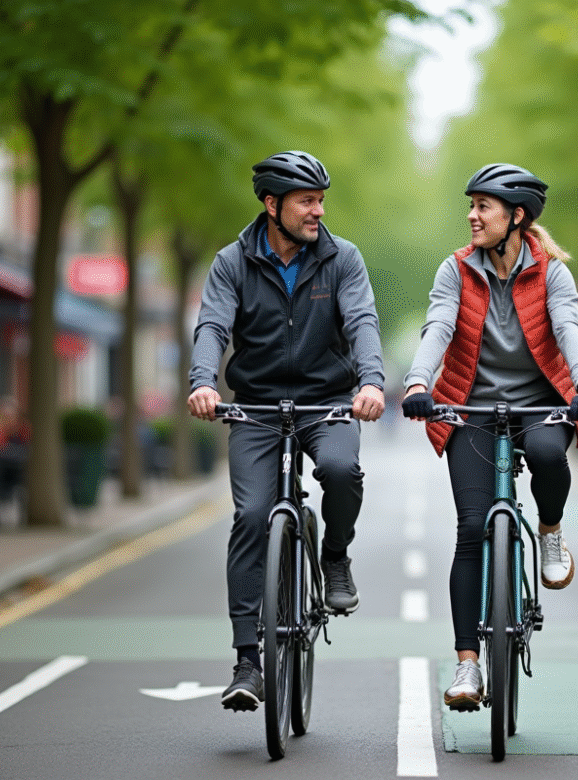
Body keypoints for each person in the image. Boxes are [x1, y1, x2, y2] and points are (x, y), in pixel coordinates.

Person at [187, 151, 385, 712]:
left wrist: (370, 382)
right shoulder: (232, 262)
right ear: (271, 204)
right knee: (251, 517)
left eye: (321, 200)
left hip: (327, 401)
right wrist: (204, 382)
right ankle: (248, 659)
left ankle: (335, 556)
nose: (317, 210)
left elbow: (362, 321)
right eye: (306, 201)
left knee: (342, 470)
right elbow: (213, 325)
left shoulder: (342, 258)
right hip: (256, 406)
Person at [400, 163, 578, 711]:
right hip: (470, 405)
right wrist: (420, 380)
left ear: (516, 217)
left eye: (482, 207)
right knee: (471, 528)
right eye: (470, 205)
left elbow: (566, 328)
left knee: (543, 451)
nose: (471, 215)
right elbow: (439, 325)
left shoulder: (552, 274)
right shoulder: (456, 269)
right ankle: (468, 667)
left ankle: (551, 530)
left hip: (541, 404)